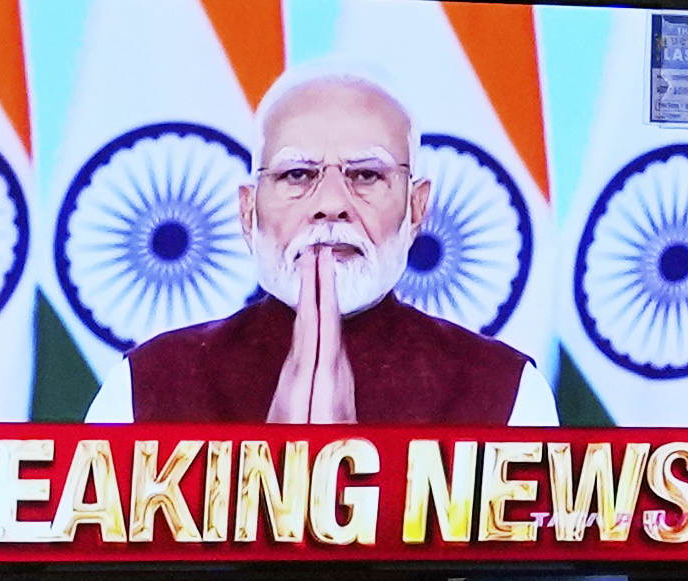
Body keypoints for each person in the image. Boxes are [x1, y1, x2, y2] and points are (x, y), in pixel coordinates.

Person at [89, 65, 549, 426]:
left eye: (367, 175)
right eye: (298, 174)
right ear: (248, 212)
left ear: (416, 208)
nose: (331, 204)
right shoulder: (145, 384)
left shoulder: (504, 391)